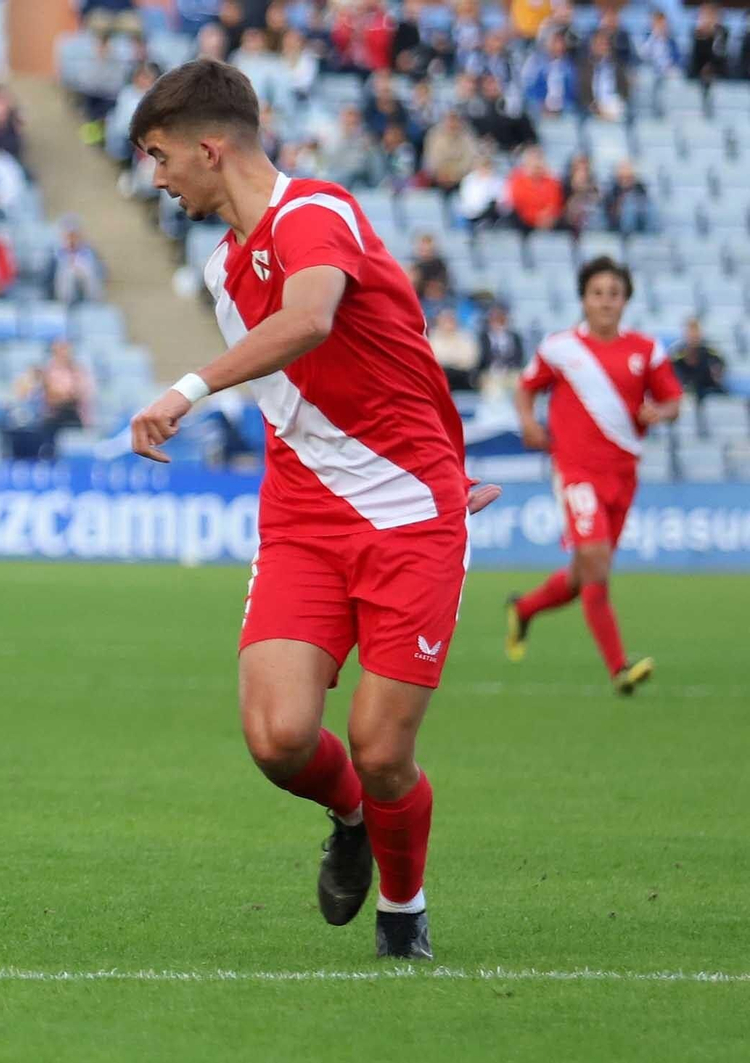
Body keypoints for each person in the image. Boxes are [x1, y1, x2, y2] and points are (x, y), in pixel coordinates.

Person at [126, 59, 500, 961]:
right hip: (303, 515)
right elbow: (329, 385)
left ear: (210, 149)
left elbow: (312, 319)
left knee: (380, 748)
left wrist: (185, 387)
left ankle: (404, 913)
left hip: (408, 513)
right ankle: (350, 819)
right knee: (279, 737)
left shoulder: (318, 214)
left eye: (159, 155)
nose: (157, 176)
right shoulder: (222, 266)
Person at [508, 257, 681, 694]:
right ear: (584, 298)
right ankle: (619, 668)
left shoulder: (646, 349)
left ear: (626, 301)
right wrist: (528, 422)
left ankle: (525, 608)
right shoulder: (560, 348)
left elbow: (674, 401)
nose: (606, 301)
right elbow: (526, 387)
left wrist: (658, 412)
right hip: (576, 472)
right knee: (597, 563)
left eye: (614, 293)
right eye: (597, 293)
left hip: (623, 475)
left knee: (587, 569)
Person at [48, 217, 106, 304]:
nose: (72, 239)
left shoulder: (89, 251)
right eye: (69, 236)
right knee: (68, 273)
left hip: (85, 282)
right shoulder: (55, 253)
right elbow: (49, 276)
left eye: (74, 236)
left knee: (86, 268)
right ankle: (66, 303)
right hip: (61, 288)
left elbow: (102, 271)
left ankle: (94, 303)